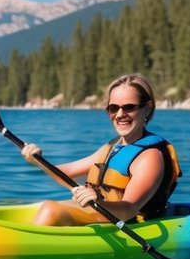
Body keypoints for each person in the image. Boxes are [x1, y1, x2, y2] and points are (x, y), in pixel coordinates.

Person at [20, 73, 180, 226]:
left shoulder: (150, 156)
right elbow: (67, 172)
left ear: (147, 108)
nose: (119, 114)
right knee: (45, 206)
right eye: (113, 108)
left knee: (51, 210)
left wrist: (97, 201)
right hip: (104, 217)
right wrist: (36, 159)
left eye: (129, 107)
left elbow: (129, 210)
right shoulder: (112, 147)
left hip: (132, 226)